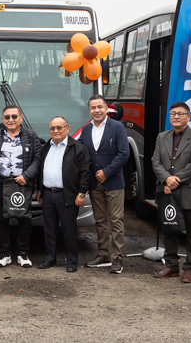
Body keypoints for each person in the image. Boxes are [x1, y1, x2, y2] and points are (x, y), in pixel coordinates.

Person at [151, 102, 191, 283]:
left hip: (188, 190)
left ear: (188, 117)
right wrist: (166, 178)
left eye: (181, 114)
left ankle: (190, 268)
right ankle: (171, 265)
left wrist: (174, 181)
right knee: (169, 228)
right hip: (166, 190)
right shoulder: (162, 137)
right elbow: (155, 162)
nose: (176, 116)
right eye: (173, 113)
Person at [78, 94, 130, 274]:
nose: (97, 110)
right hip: (94, 183)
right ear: (89, 110)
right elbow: (82, 153)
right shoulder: (86, 130)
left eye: (100, 107)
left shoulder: (117, 127)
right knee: (100, 220)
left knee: (116, 220)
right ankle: (103, 254)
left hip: (113, 182)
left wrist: (107, 172)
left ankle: (117, 258)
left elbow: (124, 153)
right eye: (93, 108)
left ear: (106, 109)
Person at [0, 105, 41, 268]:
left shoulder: (31, 136)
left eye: (14, 117)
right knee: (1, 220)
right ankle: (4, 255)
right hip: (2, 184)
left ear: (21, 118)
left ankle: (23, 254)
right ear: (3, 120)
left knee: (24, 219)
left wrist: (26, 176)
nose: (11, 120)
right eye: (7, 117)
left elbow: (37, 160)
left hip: (22, 184)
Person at [36, 116, 91, 273]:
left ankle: (72, 261)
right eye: (53, 128)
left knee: (69, 230)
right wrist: (40, 189)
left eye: (59, 127)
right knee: (49, 229)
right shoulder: (46, 146)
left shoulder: (78, 148)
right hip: (47, 195)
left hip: (67, 196)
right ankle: (50, 258)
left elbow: (85, 173)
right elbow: (41, 170)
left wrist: (81, 193)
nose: (56, 131)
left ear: (67, 128)